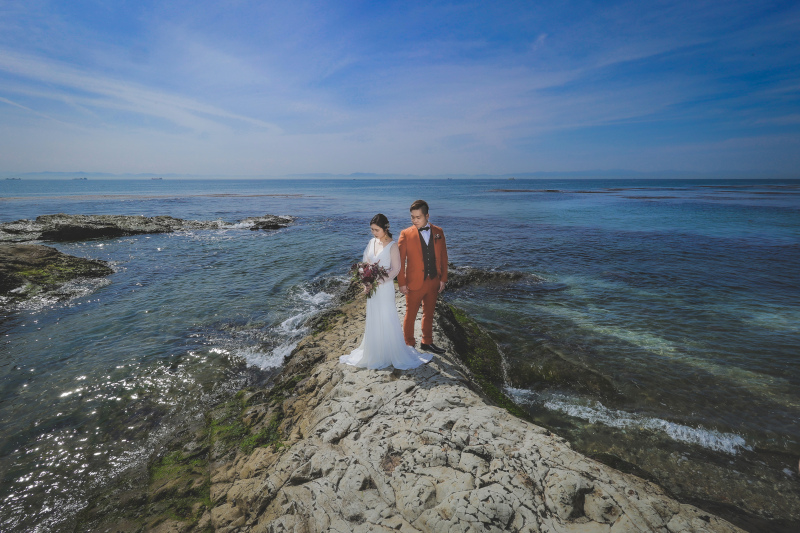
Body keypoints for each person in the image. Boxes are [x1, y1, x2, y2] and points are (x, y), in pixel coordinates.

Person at [339, 214, 433, 369]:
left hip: (385, 288)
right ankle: (375, 350)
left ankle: (390, 352)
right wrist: (366, 282)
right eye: (372, 230)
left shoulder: (392, 246)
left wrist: (377, 281)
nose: (374, 233)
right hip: (373, 289)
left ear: (386, 228)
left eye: (376, 230)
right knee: (374, 316)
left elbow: (396, 269)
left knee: (386, 316)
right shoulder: (371, 242)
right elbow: (365, 264)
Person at [398, 200, 448, 354]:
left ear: (427, 216)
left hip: (433, 281)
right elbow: (400, 261)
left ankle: (427, 342)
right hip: (414, 282)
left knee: (429, 313)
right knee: (410, 314)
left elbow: (444, 257)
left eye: (418, 217)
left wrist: (443, 279)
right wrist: (402, 283)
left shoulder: (439, 232)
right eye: (412, 217)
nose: (414, 220)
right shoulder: (406, 234)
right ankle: (409, 344)